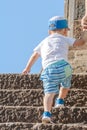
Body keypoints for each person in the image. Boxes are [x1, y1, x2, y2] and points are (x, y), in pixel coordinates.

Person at [22, 16, 86, 123]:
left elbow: (34, 55)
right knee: (65, 84)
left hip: (49, 70)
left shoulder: (44, 42)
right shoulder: (64, 38)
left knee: (49, 93)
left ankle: (46, 113)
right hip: (64, 66)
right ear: (65, 31)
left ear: (49, 31)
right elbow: (80, 43)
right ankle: (60, 100)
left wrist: (27, 68)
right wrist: (84, 33)